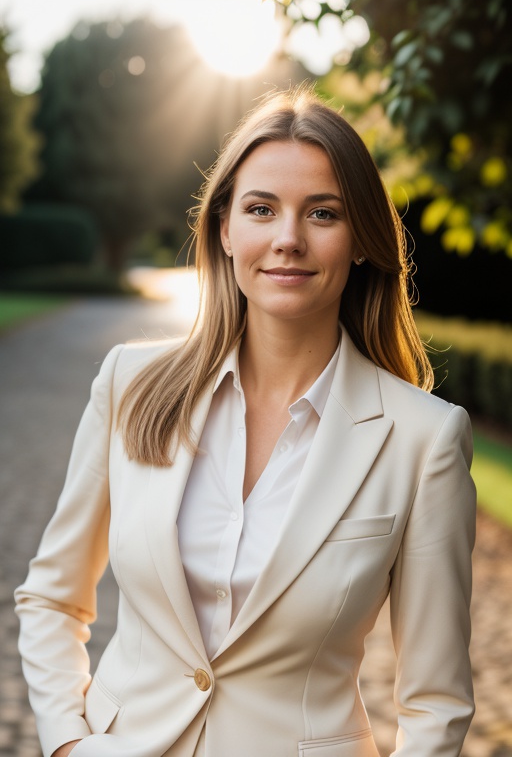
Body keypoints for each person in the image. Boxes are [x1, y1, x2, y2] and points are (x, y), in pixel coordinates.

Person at [15, 86, 476, 757]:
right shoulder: (130, 383)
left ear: (360, 242)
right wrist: (65, 743)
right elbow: (52, 599)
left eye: (322, 213)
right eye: (262, 209)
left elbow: (435, 703)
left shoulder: (424, 439)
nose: (288, 239)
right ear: (225, 229)